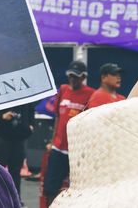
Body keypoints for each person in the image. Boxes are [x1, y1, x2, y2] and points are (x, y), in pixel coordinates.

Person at [43, 60, 95, 206]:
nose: (73, 79)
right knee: (50, 187)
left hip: (76, 151)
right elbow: (57, 118)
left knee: (77, 188)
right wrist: (52, 142)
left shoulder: (91, 94)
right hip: (58, 148)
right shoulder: (63, 89)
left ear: (83, 77)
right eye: (71, 75)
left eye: (77, 76)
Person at [0, 103, 35, 203]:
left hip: (19, 136)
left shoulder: (25, 94)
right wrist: (1, 116)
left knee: (15, 171)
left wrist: (31, 125)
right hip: (2, 136)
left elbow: (31, 109)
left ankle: (15, 199)